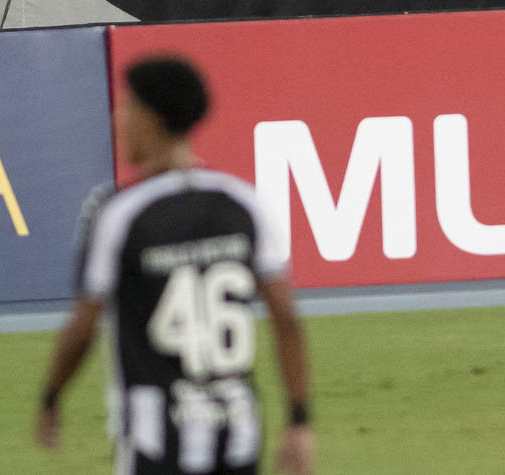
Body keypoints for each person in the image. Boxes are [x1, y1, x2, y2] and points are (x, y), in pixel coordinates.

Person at [35, 56, 315, 474]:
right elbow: (285, 314)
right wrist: (299, 419)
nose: (118, 119)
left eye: (127, 106)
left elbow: (83, 329)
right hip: (238, 436)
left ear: (151, 118)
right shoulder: (244, 203)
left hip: (157, 442)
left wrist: (51, 395)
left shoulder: (119, 213)